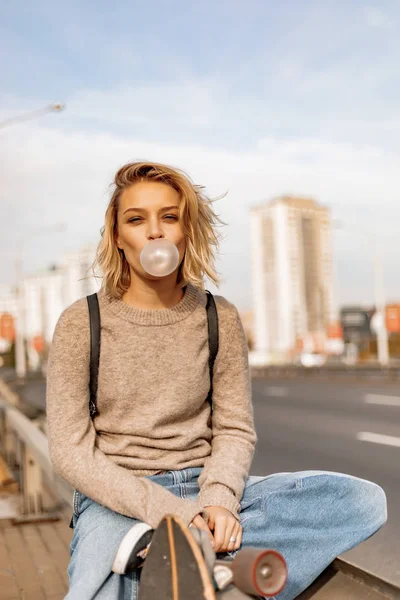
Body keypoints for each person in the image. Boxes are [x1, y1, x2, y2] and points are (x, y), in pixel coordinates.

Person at [46, 161, 387, 600]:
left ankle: (209, 567)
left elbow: (234, 428)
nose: (154, 232)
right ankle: (204, 563)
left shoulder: (218, 316)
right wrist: (169, 514)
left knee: (362, 501)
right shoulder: (81, 322)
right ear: (117, 236)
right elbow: (70, 451)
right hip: (118, 497)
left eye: (169, 217)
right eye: (136, 219)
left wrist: (219, 501)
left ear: (186, 229)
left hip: (203, 485)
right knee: (93, 593)